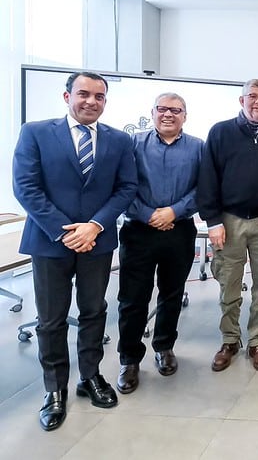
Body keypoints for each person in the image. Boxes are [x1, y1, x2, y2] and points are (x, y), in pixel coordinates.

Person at [12, 71, 137, 431]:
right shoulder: (36, 133)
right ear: (67, 97)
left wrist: (94, 225)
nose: (91, 102)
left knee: (94, 311)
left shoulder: (119, 140)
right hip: (50, 241)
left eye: (99, 96)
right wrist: (65, 231)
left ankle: (90, 376)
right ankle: (55, 389)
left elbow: (126, 187)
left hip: (97, 241)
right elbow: (26, 187)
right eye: (84, 94)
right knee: (51, 319)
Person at [196, 79, 258, 372]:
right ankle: (230, 339)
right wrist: (212, 221)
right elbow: (207, 178)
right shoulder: (220, 132)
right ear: (241, 100)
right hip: (229, 221)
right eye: (253, 96)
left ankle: (257, 341)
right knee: (229, 282)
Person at [115, 92, 204, 394]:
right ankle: (129, 359)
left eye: (176, 110)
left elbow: (202, 188)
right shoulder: (133, 144)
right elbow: (123, 186)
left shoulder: (198, 147)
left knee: (172, 293)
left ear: (185, 116)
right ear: (152, 112)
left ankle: (164, 347)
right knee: (132, 298)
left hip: (179, 230)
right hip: (138, 231)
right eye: (162, 109)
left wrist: (173, 212)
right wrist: (149, 214)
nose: (168, 114)